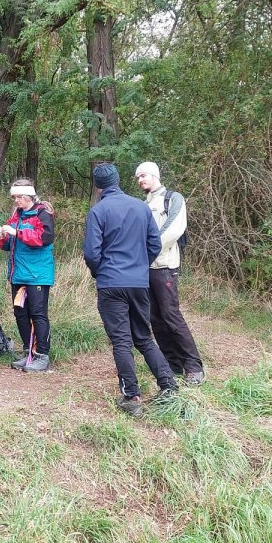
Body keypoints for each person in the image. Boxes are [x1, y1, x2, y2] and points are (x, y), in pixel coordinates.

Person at [83, 164, 178, 417]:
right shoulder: (141, 207)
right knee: (144, 337)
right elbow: (154, 243)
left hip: (111, 283)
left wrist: (100, 272)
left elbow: (92, 253)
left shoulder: (98, 211)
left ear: (98, 186)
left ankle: (131, 395)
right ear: (118, 180)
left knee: (121, 342)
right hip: (138, 282)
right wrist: (139, 266)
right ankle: (168, 385)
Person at [134, 162, 206, 385]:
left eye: (143, 175)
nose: (140, 180)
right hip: (146, 268)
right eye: (137, 178)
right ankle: (172, 364)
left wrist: (147, 252)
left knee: (171, 316)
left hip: (165, 267)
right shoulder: (143, 204)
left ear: (155, 175)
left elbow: (174, 229)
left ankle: (194, 367)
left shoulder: (173, 198)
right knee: (155, 318)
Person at [0, 178, 55, 373]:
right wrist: (2, 238)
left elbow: (44, 239)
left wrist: (17, 232)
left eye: (18, 196)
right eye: (13, 197)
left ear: (29, 195)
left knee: (38, 315)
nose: (15, 200)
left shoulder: (42, 213)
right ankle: (28, 352)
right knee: (20, 314)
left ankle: (42, 356)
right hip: (18, 275)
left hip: (37, 275)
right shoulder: (16, 216)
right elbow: (8, 246)